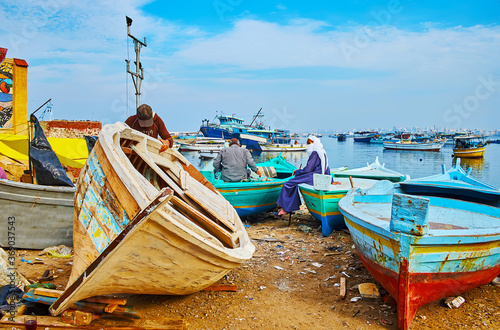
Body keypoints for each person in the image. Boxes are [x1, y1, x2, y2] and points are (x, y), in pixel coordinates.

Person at [277, 135, 337, 216]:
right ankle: (290, 207)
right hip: (319, 176)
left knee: (288, 183)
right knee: (294, 181)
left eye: (309, 143)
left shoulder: (315, 153)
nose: (307, 145)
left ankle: (286, 209)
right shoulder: (322, 152)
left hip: (314, 177)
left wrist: (298, 171)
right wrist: (331, 180)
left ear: (314, 143)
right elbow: (327, 168)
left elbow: (308, 169)